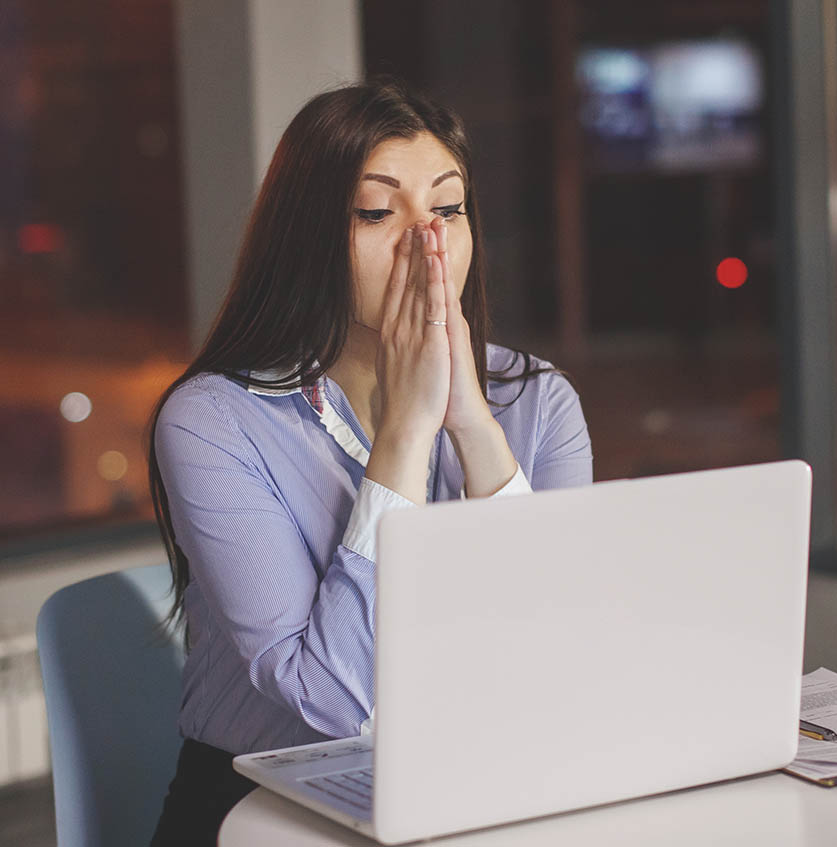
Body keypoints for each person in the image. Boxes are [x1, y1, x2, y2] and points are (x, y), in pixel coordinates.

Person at [147, 78, 592, 845]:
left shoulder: (539, 401)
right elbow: (333, 701)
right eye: (378, 211)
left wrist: (470, 424)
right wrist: (407, 435)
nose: (428, 241)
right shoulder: (212, 422)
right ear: (308, 235)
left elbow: (562, 650)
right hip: (261, 805)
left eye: (447, 209)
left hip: (475, 783)